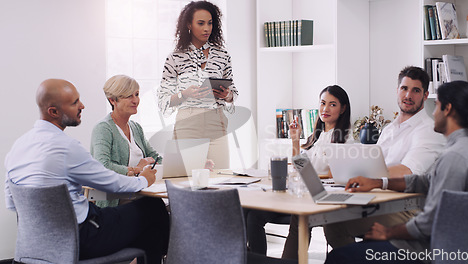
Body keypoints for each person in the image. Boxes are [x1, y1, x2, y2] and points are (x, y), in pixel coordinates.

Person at [325, 80, 468, 264]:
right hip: (461, 249)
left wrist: (388, 232)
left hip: (432, 253)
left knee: (339, 257)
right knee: (364, 241)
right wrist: (378, 182)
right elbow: (425, 182)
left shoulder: (455, 158)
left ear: (448, 109)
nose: (434, 112)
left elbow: (431, 221)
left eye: (436, 106)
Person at [4, 79, 169, 263]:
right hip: (81, 238)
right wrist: (144, 180)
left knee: (147, 228)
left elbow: (12, 204)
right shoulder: (67, 147)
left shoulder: (17, 148)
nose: (82, 105)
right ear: (54, 111)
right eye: (74, 103)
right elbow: (112, 183)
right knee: (153, 208)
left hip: (34, 246)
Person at [321, 66, 446, 250]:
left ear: (425, 95)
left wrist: (370, 180)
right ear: (397, 91)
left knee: (335, 224)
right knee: (332, 218)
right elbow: (374, 164)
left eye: (416, 90)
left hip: (407, 210)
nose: (408, 95)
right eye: (404, 88)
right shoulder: (389, 129)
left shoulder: (428, 130)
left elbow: (407, 172)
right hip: (379, 201)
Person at [246, 85, 352, 257]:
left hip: (317, 198)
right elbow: (299, 166)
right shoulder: (316, 137)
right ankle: (256, 260)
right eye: (323, 103)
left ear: (343, 109)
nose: (325, 109)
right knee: (252, 214)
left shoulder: (345, 139)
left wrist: (305, 175)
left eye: (332, 104)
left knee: (256, 216)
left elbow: (334, 176)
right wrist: (295, 139)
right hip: (299, 193)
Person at [157, 0, 238, 169]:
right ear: (189, 24)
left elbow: (233, 92)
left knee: (221, 177)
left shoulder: (223, 55)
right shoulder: (175, 57)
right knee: (188, 179)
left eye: (210, 23)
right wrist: (184, 94)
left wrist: (227, 95)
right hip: (188, 121)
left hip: (217, 121)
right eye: (200, 23)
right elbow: (163, 100)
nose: (206, 28)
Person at [91, 75, 162, 207]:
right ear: (113, 100)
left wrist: (188, 165)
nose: (135, 100)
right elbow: (102, 165)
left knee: (168, 206)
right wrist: (135, 169)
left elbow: (155, 157)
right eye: (129, 96)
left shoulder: (136, 127)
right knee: (157, 208)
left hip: (140, 193)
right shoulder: (103, 128)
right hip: (115, 200)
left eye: (136, 94)